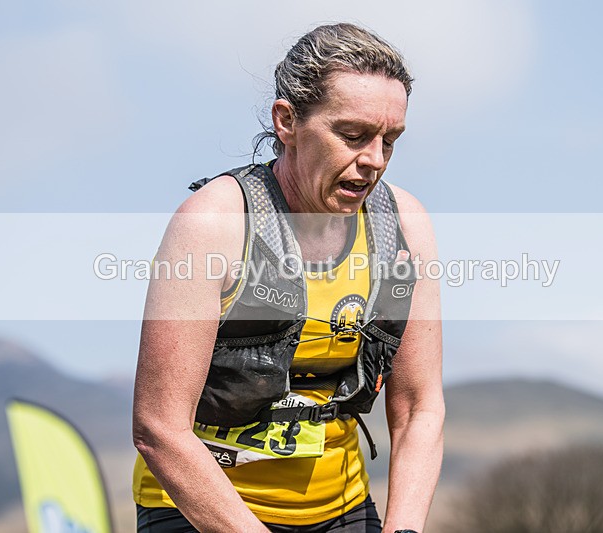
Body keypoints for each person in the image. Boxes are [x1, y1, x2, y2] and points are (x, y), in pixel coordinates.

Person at [132, 23, 444, 533]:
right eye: (352, 135)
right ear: (287, 121)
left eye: (390, 140)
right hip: (199, 512)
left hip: (340, 509)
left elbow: (418, 410)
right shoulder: (213, 225)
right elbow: (159, 428)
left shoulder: (405, 226)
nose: (374, 160)